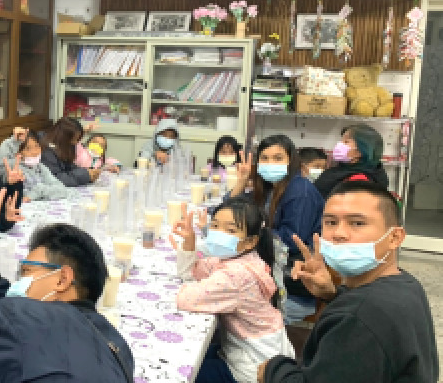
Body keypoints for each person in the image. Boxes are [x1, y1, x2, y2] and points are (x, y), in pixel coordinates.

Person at [0, 184, 135, 382]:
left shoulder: (18, 320)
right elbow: (11, 328)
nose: (20, 282)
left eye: (27, 271)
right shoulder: (117, 346)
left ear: (62, 279)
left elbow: (10, 322)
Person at [260, 181, 438, 383]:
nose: (339, 234)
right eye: (331, 222)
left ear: (395, 237)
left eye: (357, 223)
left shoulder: (356, 318)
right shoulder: (405, 283)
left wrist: (272, 370)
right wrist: (332, 294)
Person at [172, 199, 294, 383]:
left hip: (253, 369)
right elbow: (192, 272)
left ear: (250, 241)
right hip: (260, 353)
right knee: (197, 353)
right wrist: (190, 243)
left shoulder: (236, 275)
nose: (218, 234)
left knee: (182, 368)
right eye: (215, 226)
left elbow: (187, 299)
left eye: (230, 230)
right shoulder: (240, 258)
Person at [232, 135, 324, 324]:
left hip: (291, 287)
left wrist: (250, 235)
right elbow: (229, 212)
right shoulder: (269, 188)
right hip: (270, 273)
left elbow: (291, 240)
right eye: (264, 158)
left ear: (291, 161)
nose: (270, 163)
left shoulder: (300, 192)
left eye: (278, 158)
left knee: (232, 309)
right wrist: (241, 181)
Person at [0, 127, 69, 202]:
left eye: (37, 146)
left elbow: (62, 189)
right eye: (28, 149)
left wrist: (37, 192)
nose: (35, 152)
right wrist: (14, 141)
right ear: (17, 152)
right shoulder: (12, 166)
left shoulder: (40, 167)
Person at [314, 125, 389, 199]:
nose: (339, 145)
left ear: (361, 151)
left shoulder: (359, 181)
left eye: (346, 142)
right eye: (341, 141)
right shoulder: (344, 169)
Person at [41, 116, 100, 187]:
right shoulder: (47, 152)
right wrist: (86, 175)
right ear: (63, 137)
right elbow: (55, 179)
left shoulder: (62, 146)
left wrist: (88, 172)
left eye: (78, 139)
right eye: (75, 139)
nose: (75, 143)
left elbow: (68, 166)